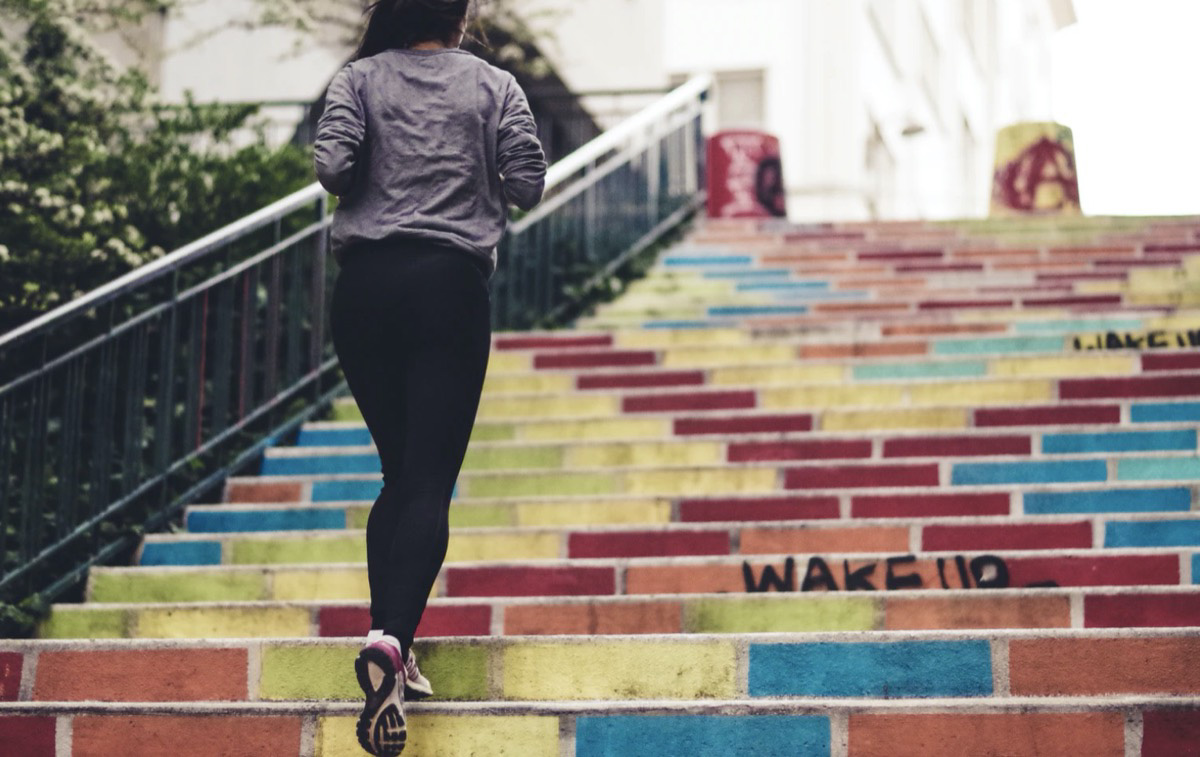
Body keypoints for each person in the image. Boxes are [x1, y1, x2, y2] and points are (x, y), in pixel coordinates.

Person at [314, 0, 546, 753]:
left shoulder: (358, 78)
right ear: (460, 15)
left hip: (365, 291)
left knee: (399, 474)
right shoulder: (494, 86)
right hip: (447, 288)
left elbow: (332, 168)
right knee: (427, 481)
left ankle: (396, 640)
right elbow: (527, 183)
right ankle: (386, 641)